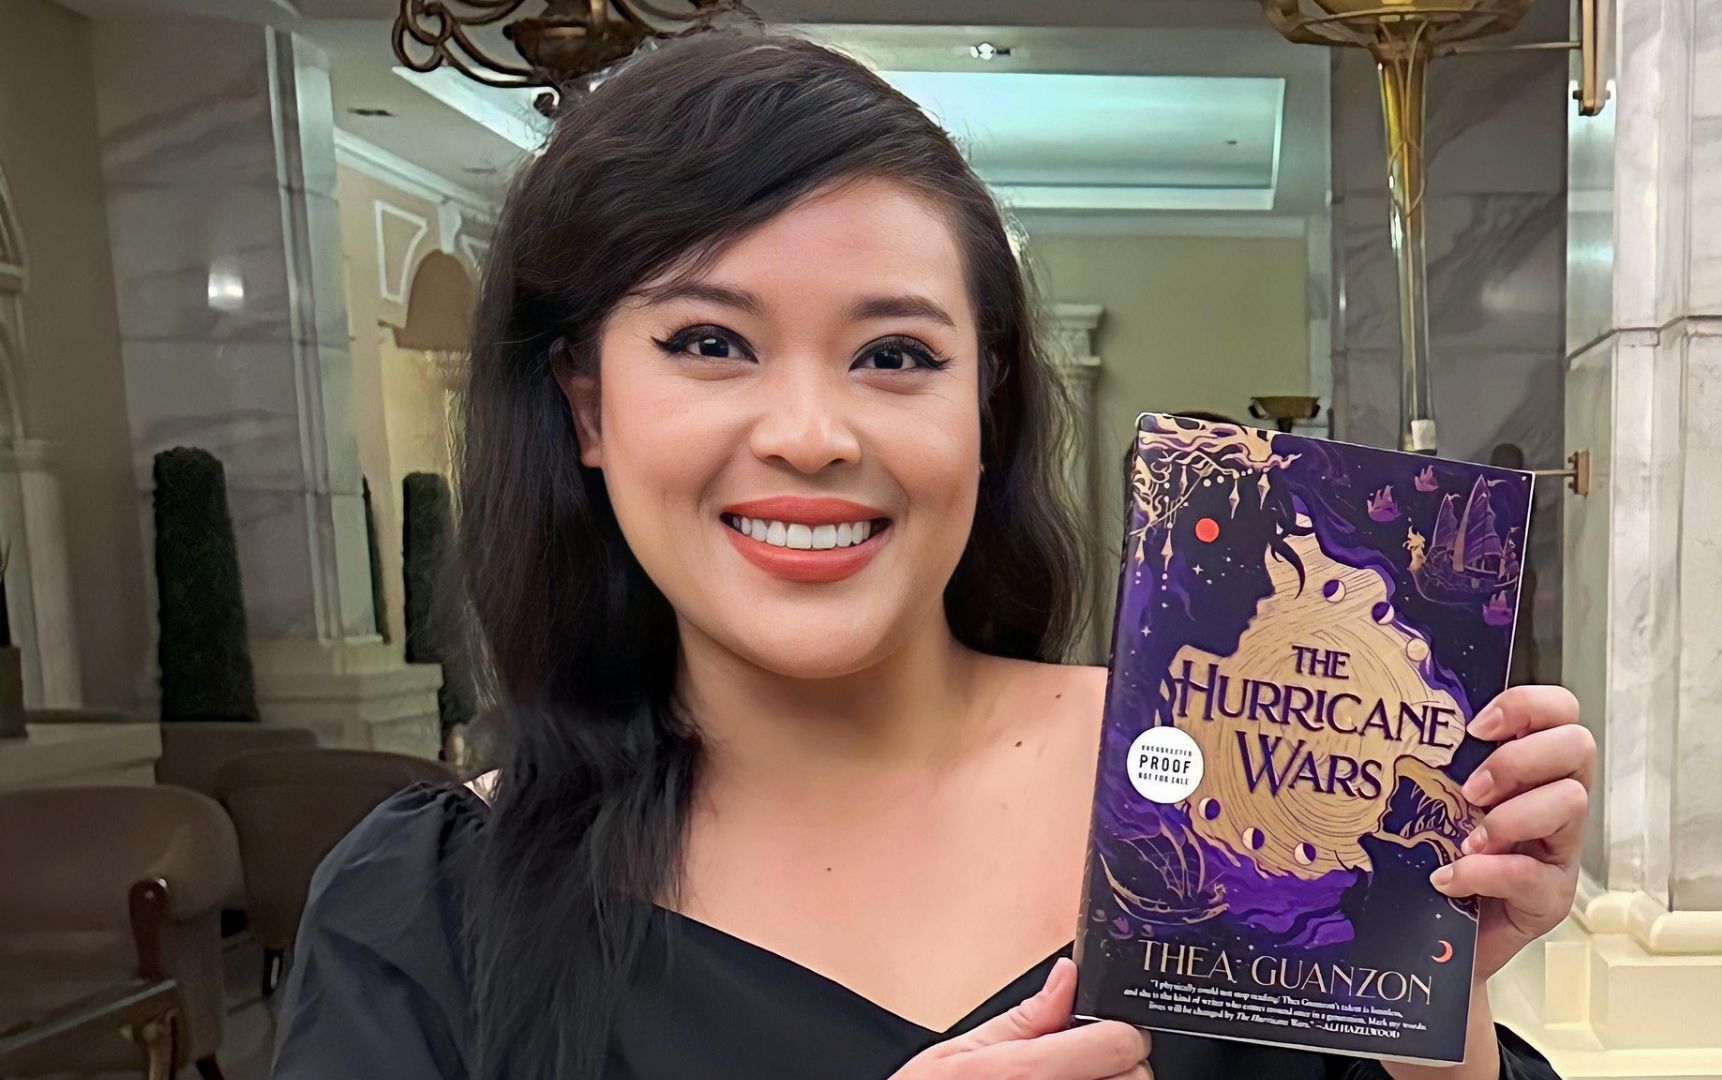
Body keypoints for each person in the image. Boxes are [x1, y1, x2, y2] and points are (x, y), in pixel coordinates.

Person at [271, 34, 1593, 1080]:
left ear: (984, 405)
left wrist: (1431, 1010)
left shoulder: (1230, 770)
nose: (810, 434)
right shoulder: (424, 918)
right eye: (710, 343)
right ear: (586, 407)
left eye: (895, 354)